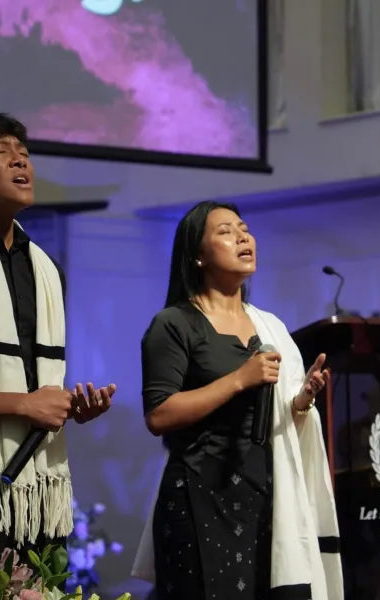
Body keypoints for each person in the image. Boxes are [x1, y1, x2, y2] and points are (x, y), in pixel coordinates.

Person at [132, 201, 343, 599]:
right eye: (226, 232)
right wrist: (239, 379)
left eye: (244, 229)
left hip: (265, 498)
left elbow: (275, 417)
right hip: (198, 496)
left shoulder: (270, 325)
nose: (243, 237)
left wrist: (299, 403)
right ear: (197, 255)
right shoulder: (173, 323)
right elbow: (159, 414)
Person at [0, 112, 116, 577]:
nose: (21, 161)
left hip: (36, 480)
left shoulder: (44, 268)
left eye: (24, 153)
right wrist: (24, 405)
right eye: (2, 152)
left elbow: (36, 386)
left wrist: (66, 405)